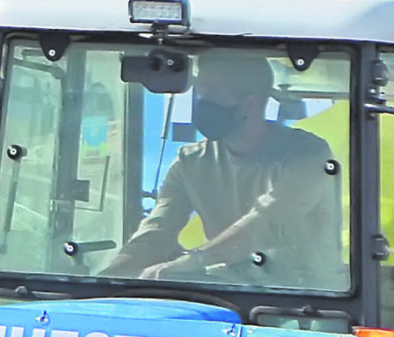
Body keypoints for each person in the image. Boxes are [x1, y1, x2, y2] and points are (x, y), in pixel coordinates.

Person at [114, 50, 343, 284]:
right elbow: (156, 232)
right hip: (229, 291)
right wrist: (100, 280)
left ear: (250, 103)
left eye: (209, 96)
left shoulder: (308, 155)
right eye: (198, 95)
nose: (201, 105)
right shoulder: (191, 162)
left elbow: (265, 222)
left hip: (307, 303)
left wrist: (193, 261)